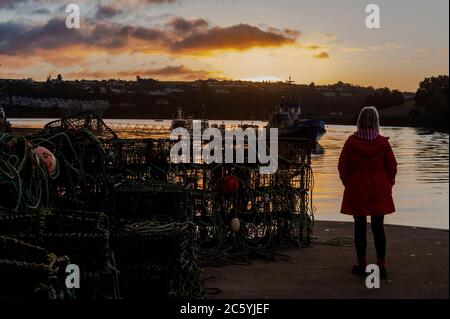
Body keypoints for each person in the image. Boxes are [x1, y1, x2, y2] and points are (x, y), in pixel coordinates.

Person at [338, 106, 397, 278]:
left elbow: (343, 166)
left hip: (357, 188)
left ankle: (362, 264)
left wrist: (348, 183)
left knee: (360, 227)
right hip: (379, 188)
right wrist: (388, 184)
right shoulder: (383, 143)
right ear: (376, 121)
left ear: (359, 121)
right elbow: (392, 167)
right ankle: (382, 265)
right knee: (378, 227)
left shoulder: (351, 142)